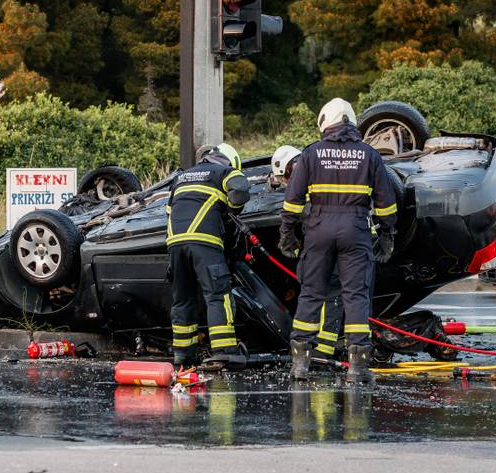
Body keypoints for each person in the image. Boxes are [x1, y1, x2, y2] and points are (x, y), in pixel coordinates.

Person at [279, 99, 396, 382]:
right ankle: (357, 369)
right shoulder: (369, 155)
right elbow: (386, 203)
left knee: (311, 292)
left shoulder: (311, 154)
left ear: (325, 122)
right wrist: (387, 236)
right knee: (355, 295)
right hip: (355, 229)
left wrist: (288, 235)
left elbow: (292, 202)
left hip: (318, 228)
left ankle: (300, 365)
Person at [167, 143, 251, 368]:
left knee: (183, 298)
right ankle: (225, 351)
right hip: (205, 242)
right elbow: (240, 190)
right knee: (217, 295)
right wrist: (232, 209)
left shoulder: (182, 177)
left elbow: (169, 210)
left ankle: (184, 355)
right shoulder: (223, 171)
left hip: (175, 243)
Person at [271, 145, 345, 360]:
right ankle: (327, 350)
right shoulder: (329, 166)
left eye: (285, 177)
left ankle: (309, 350)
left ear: (289, 168)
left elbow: (295, 210)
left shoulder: (304, 174)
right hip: (352, 239)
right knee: (342, 295)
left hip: (322, 242)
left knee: (318, 292)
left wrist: (287, 237)